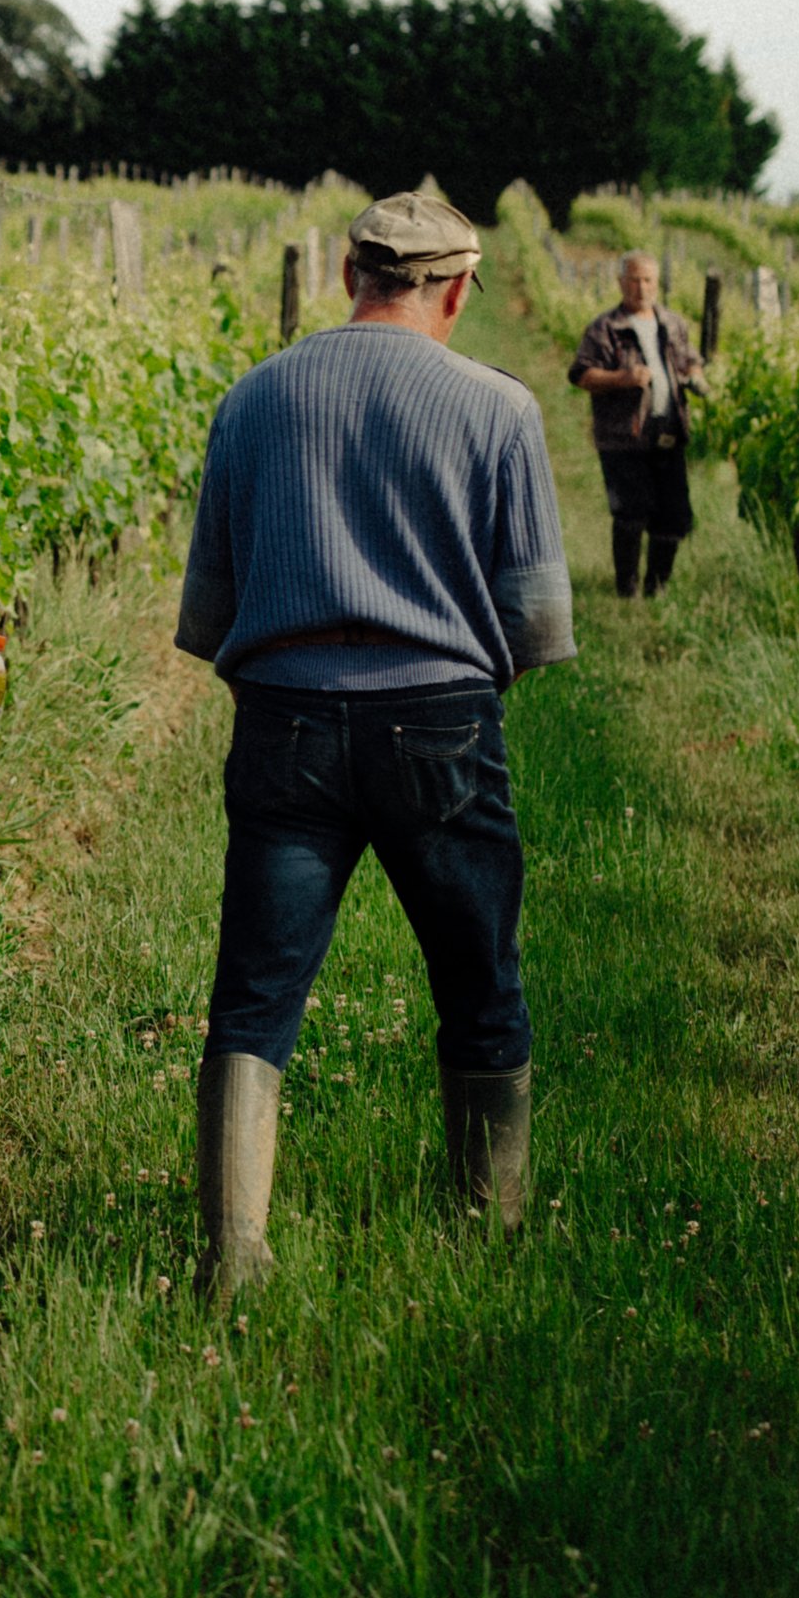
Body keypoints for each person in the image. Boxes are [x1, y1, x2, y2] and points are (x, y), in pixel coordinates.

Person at [175, 191, 575, 1295]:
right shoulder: (498, 408)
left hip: (284, 721)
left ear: (349, 274)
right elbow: (537, 621)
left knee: (255, 994)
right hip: (439, 721)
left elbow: (208, 610)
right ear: (457, 289)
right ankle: (487, 1238)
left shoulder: (252, 397)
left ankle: (233, 1254)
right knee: (479, 983)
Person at [568, 251, 701, 600]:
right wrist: (623, 378)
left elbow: (691, 360)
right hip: (624, 437)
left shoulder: (672, 323)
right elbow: (581, 374)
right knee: (631, 514)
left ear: (657, 283)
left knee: (672, 516)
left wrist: (694, 376)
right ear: (621, 282)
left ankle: (657, 588)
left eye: (648, 280)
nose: (641, 288)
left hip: (668, 434)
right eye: (634, 280)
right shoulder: (605, 328)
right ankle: (627, 591)